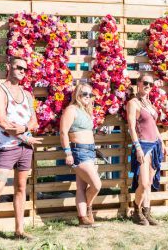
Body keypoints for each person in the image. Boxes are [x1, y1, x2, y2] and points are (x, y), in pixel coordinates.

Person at [0, 57, 42, 249]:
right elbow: (2, 122)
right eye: (18, 67)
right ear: (8, 67)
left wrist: (23, 128)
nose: (22, 71)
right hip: (7, 148)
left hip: (25, 149)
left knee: (20, 189)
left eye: (25, 69)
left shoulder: (27, 94)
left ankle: (19, 231)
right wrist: (25, 135)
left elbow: (34, 122)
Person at [127, 73, 167, 226]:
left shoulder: (149, 103)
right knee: (143, 183)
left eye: (151, 84)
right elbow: (131, 127)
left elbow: (154, 126)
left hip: (155, 144)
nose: (148, 86)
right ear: (138, 83)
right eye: (145, 83)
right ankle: (136, 211)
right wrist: (137, 148)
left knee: (149, 182)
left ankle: (147, 212)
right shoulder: (133, 103)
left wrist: (161, 142)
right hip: (142, 145)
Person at [60, 83, 101, 227]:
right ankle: (88, 208)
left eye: (90, 95)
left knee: (81, 188)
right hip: (78, 151)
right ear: (78, 94)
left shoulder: (87, 111)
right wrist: (67, 153)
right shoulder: (71, 110)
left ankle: (82, 218)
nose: (88, 97)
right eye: (85, 94)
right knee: (97, 185)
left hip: (90, 151)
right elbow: (63, 132)